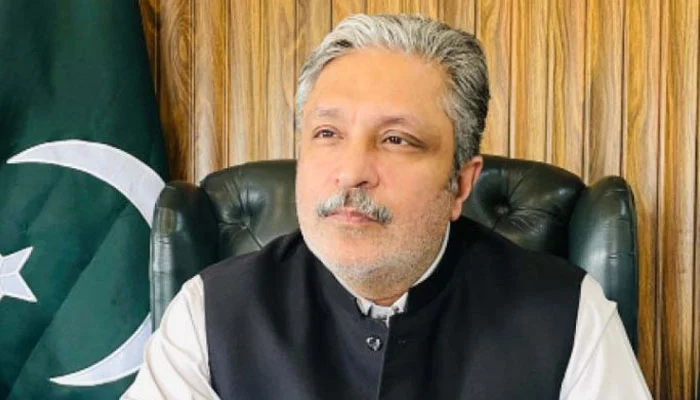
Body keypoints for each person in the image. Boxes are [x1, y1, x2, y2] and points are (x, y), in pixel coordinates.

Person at [122, 14, 651, 400]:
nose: (352, 171)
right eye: (327, 133)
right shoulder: (210, 312)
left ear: (460, 185)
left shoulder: (569, 315)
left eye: (396, 140)